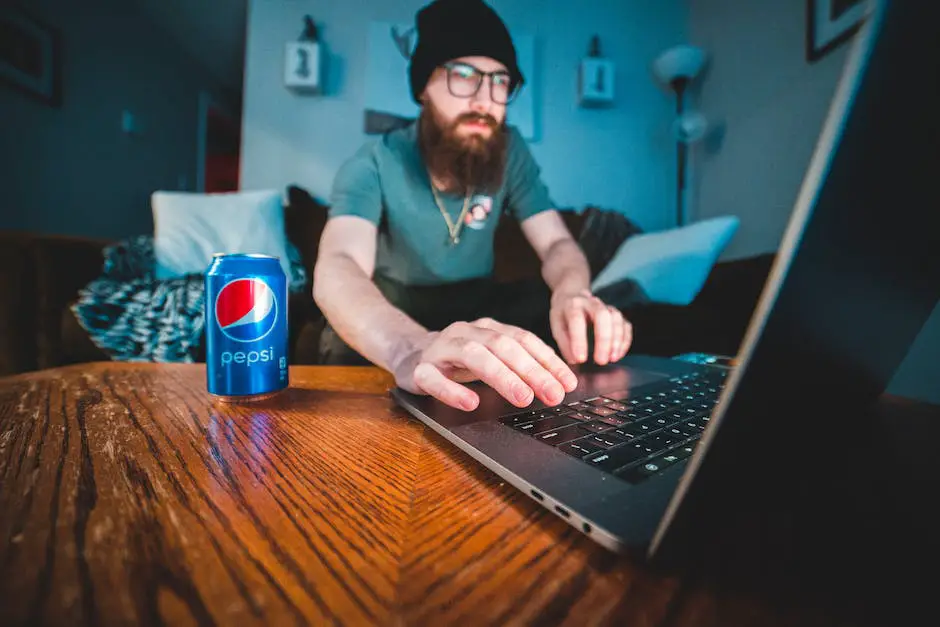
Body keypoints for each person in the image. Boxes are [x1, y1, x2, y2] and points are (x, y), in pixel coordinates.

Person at [313, 0, 633, 412]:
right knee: (344, 335)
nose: (485, 99)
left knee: (553, 316)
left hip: (476, 300)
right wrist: (409, 348)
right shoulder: (375, 160)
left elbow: (556, 244)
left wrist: (572, 293)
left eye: (500, 82)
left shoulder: (510, 150)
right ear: (423, 87)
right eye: (463, 76)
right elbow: (339, 262)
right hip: (397, 300)